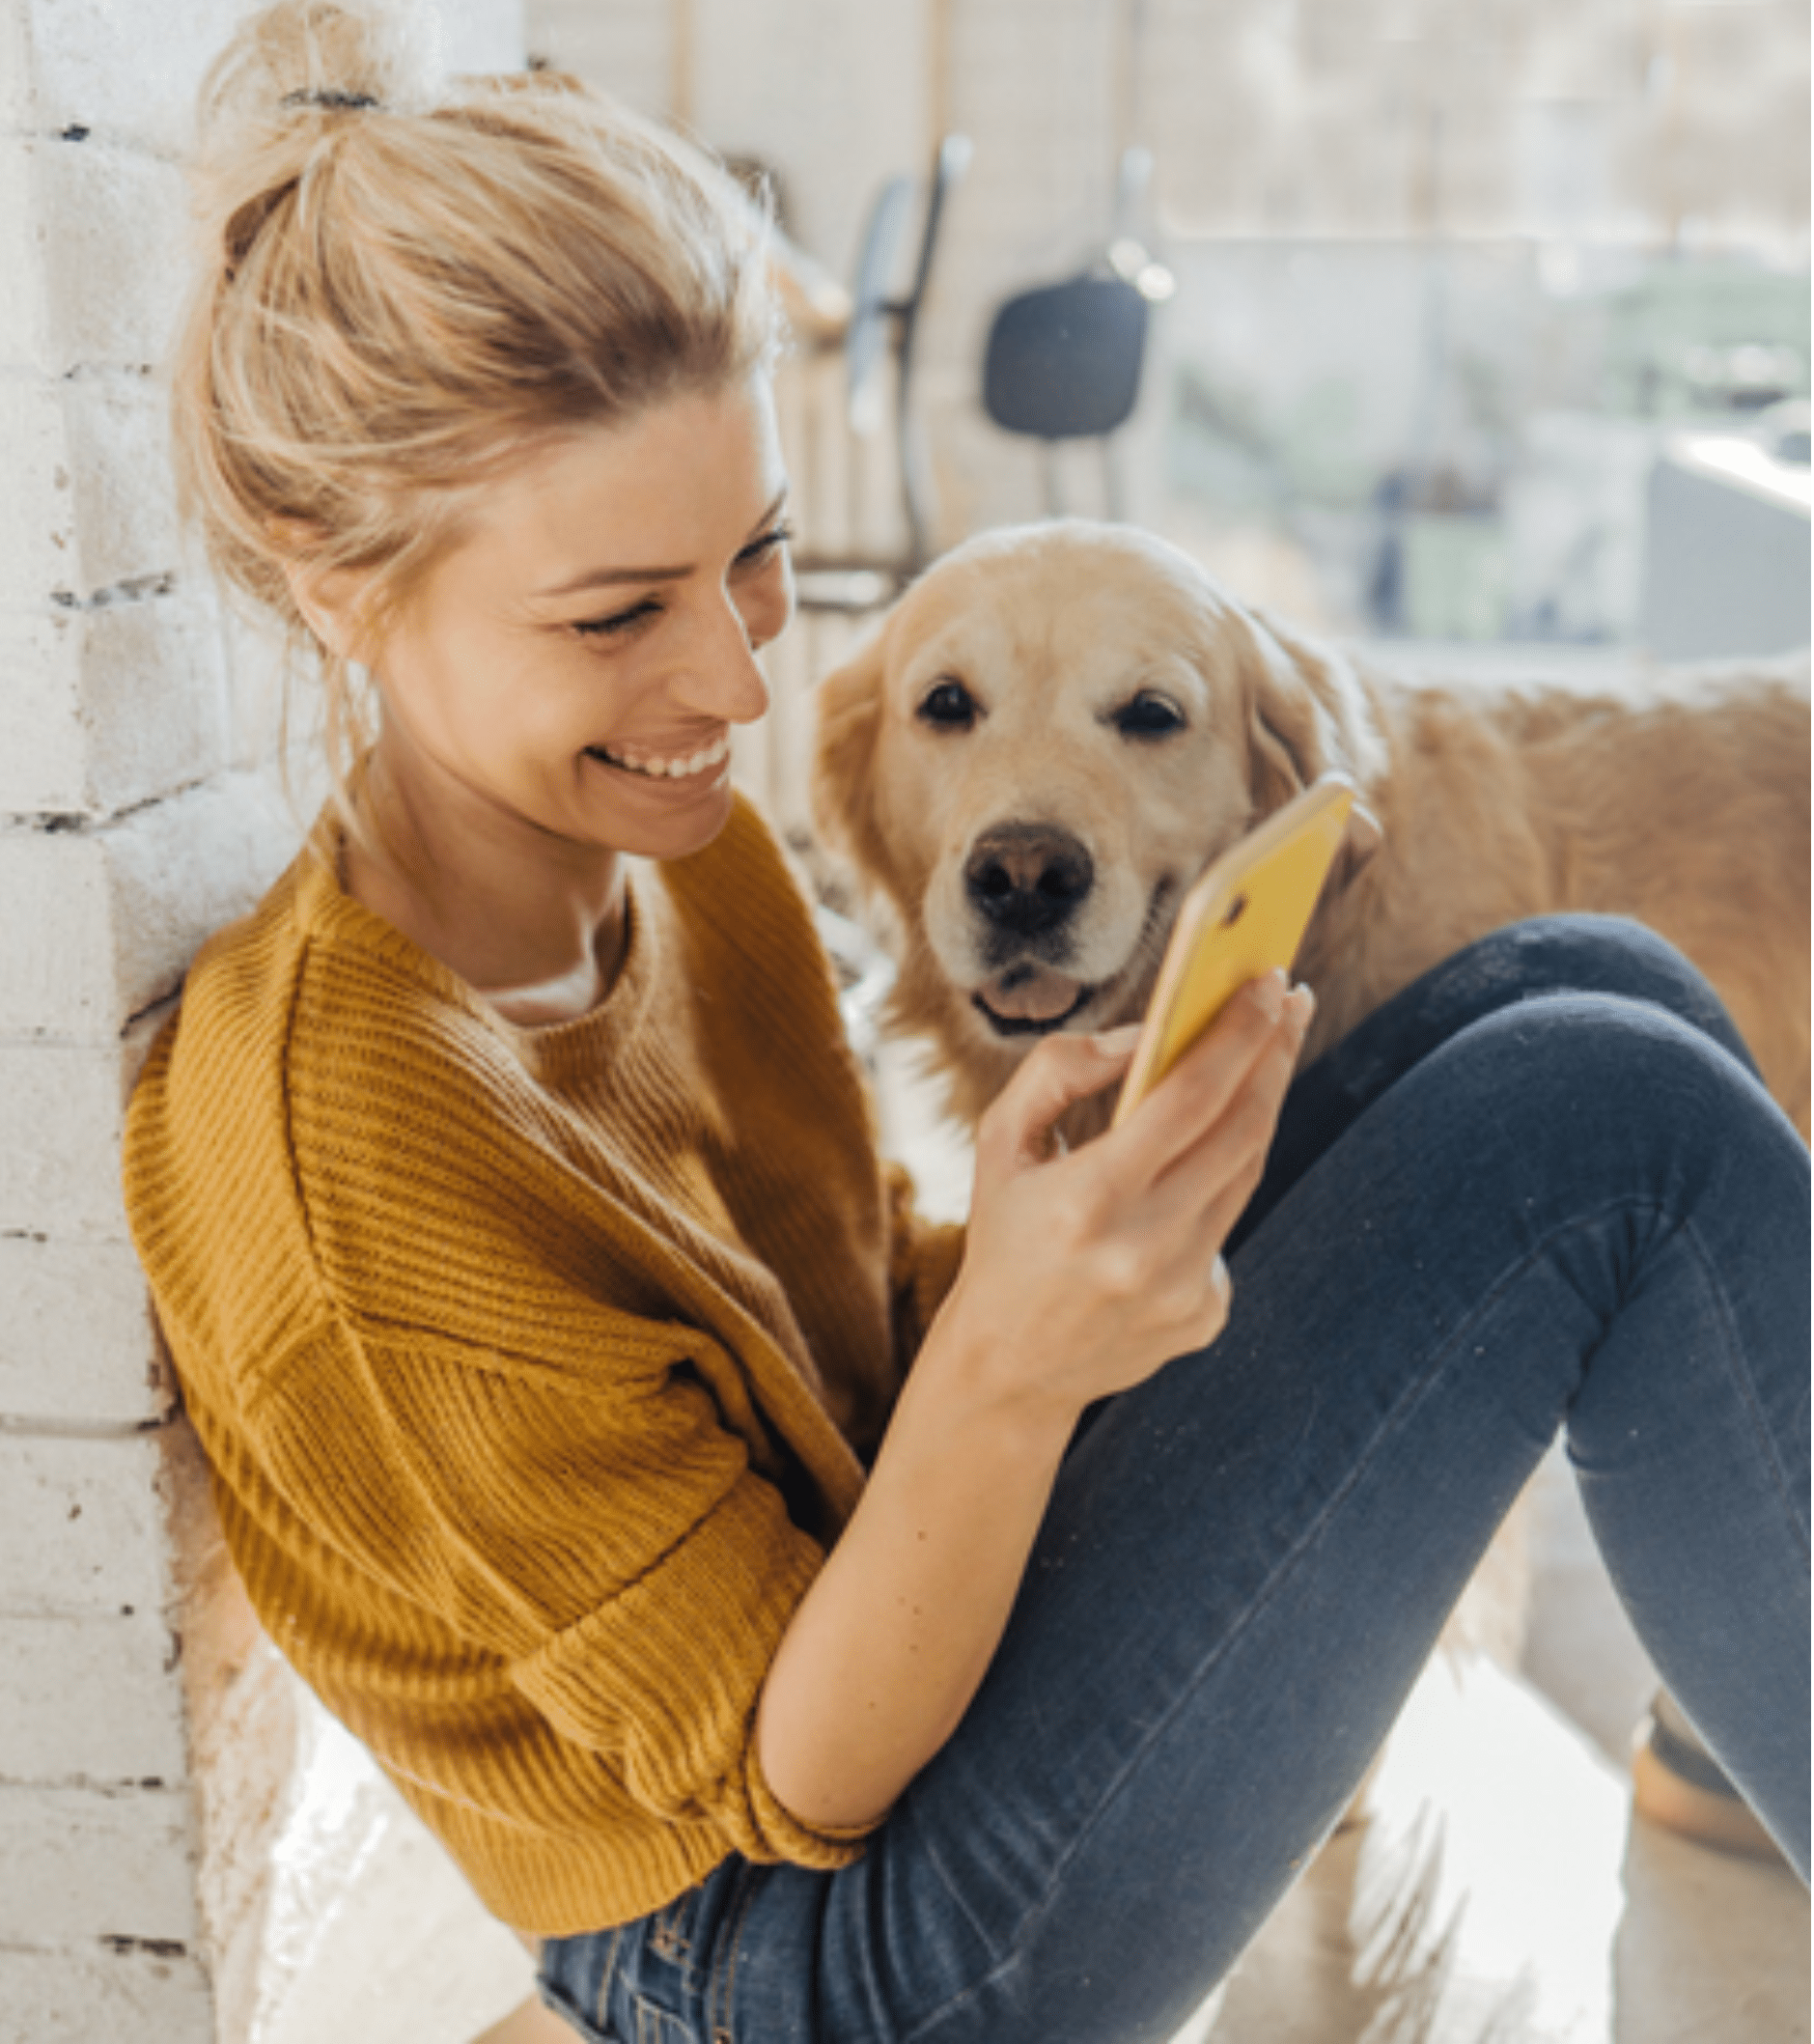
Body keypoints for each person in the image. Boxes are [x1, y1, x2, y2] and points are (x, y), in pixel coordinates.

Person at [124, 7, 1811, 2040]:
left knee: (1572, 993)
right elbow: (794, 1774)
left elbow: (837, 1322)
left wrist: (1036, 1253)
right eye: (613, 614)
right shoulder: (351, 1153)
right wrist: (1019, 1350)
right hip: (810, 1943)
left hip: (923, 1679)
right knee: (1599, 1113)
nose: (737, 687)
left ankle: (1741, 1756)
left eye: (750, 564)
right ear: (334, 583)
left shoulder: (669, 853)